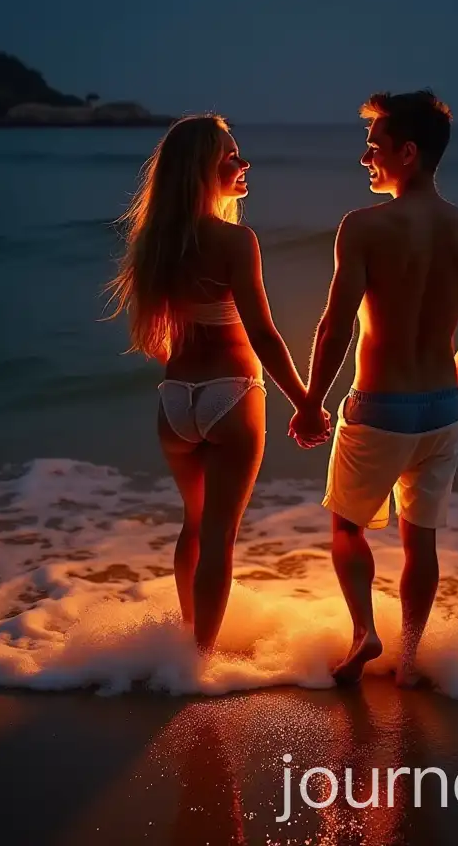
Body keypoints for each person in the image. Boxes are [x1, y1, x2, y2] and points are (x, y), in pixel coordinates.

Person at [289, 90, 458, 687]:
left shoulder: (364, 228)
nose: (366, 158)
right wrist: (447, 385)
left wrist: (310, 402)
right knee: (422, 539)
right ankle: (409, 663)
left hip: (379, 409)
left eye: (375, 147)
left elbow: (335, 326)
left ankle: (365, 632)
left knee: (347, 528)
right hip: (443, 412)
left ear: (408, 153)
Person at [105, 114, 329, 653]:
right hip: (231, 393)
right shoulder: (235, 240)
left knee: (194, 526)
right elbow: (265, 336)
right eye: (231, 156)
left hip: (175, 401)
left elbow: (159, 334)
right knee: (220, 539)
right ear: (204, 169)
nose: (243, 163)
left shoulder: (155, 244)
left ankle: (187, 645)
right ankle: (199, 662)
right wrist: (306, 402)